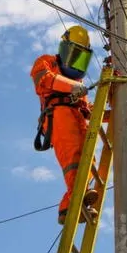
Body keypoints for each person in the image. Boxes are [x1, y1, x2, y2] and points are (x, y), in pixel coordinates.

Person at [30, 25, 101, 225]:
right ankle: (72, 202)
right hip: (58, 114)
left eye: (81, 58)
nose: (76, 62)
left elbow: (88, 110)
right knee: (74, 155)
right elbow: (44, 79)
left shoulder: (79, 85)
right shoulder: (47, 61)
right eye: (74, 54)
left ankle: (74, 204)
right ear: (65, 48)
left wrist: (111, 107)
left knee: (88, 158)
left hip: (77, 115)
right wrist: (72, 86)